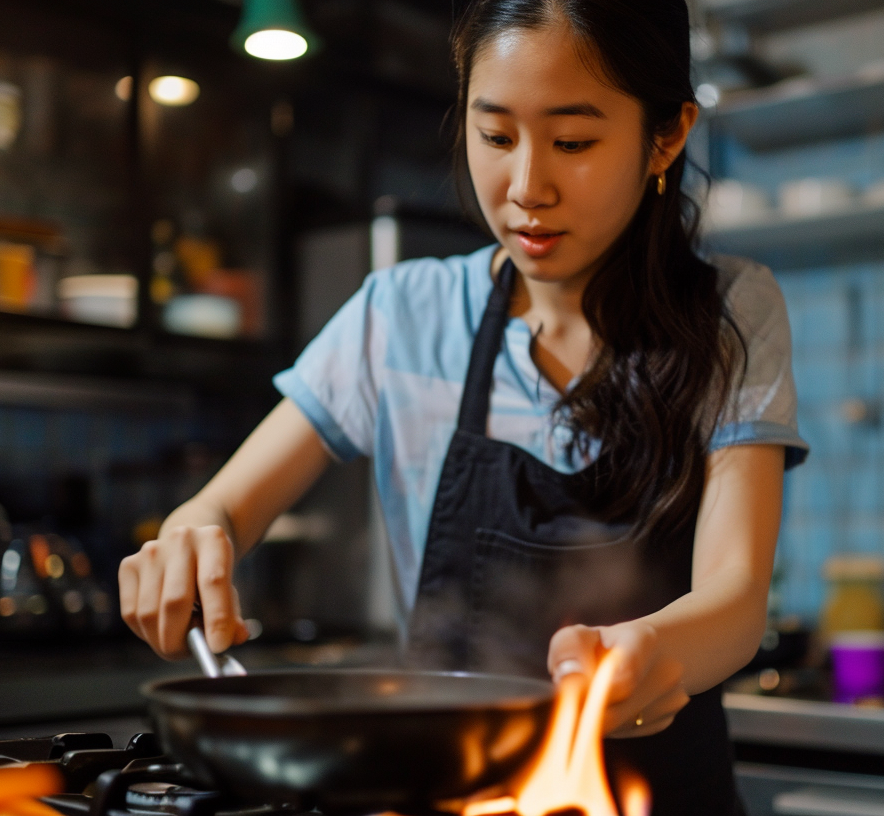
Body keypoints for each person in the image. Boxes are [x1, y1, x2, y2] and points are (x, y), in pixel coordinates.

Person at [119, 0, 807, 812]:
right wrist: (189, 538)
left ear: (666, 135)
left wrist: (655, 648)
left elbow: (733, 596)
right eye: (496, 135)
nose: (525, 189)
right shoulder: (402, 317)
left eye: (574, 141)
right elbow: (221, 512)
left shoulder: (731, 311)